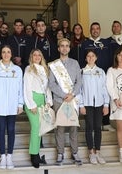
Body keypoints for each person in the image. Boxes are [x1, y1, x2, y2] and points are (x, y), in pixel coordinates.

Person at [0, 45, 24, 169]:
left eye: (8, 52)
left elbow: (20, 88)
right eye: (4, 52)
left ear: (11, 54)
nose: (6, 54)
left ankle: (10, 156)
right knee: (1, 130)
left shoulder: (17, 70)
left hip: (13, 105)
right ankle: (2, 156)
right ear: (1, 54)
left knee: (11, 130)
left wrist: (20, 104)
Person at [48, 38, 82, 166]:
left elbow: (79, 81)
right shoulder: (53, 65)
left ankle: (75, 153)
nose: (64, 48)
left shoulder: (75, 63)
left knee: (73, 127)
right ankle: (60, 153)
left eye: (67, 46)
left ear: (69, 48)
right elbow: (51, 84)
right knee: (60, 128)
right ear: (58, 48)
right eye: (62, 46)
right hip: (59, 100)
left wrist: (72, 94)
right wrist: (63, 95)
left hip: (73, 100)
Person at [80, 22, 115, 132]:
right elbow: (82, 59)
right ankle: (91, 125)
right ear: (90, 30)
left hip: (102, 74)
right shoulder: (85, 43)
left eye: (97, 28)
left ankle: (106, 122)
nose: (95, 30)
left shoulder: (106, 42)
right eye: (93, 29)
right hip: (88, 75)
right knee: (90, 100)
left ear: (100, 30)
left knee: (104, 98)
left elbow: (110, 57)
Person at [23, 49, 53, 168]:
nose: (37, 57)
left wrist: (49, 101)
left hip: (43, 99)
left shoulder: (45, 70)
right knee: (35, 128)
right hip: (33, 98)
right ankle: (34, 156)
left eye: (39, 55)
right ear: (31, 57)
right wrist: (31, 104)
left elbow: (47, 87)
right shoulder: (29, 69)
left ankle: (37, 153)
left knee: (40, 128)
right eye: (34, 55)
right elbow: (27, 88)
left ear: (42, 57)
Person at [79, 49, 109, 164]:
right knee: (89, 127)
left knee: (98, 127)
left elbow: (104, 88)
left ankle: (98, 152)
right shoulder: (82, 72)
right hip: (87, 104)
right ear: (86, 58)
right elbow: (79, 90)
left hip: (99, 104)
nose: (90, 58)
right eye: (88, 56)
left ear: (96, 58)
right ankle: (91, 152)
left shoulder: (101, 71)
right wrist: (81, 105)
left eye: (92, 56)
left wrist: (106, 104)